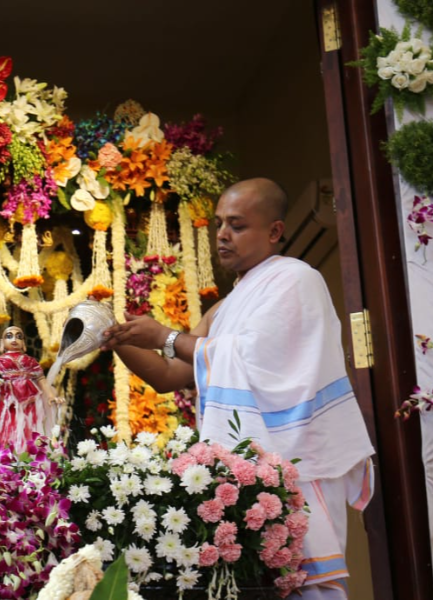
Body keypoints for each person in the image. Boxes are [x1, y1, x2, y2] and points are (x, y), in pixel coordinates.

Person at [102, 178, 375, 598]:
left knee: (308, 585)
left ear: (274, 232)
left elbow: (251, 357)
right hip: (247, 472)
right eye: (218, 225)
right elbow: (169, 375)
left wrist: (163, 336)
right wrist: (114, 335)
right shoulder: (225, 306)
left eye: (237, 225)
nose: (223, 235)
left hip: (298, 456)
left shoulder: (296, 280)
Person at [0, 326, 58, 453]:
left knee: (30, 427)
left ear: (23, 342)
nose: (14, 339)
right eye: (9, 336)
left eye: (19, 337)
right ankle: (6, 457)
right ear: (2, 342)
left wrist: (51, 396)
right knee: (8, 427)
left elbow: (41, 380)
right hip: (8, 400)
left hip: (29, 399)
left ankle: (31, 457)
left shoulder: (30, 361)